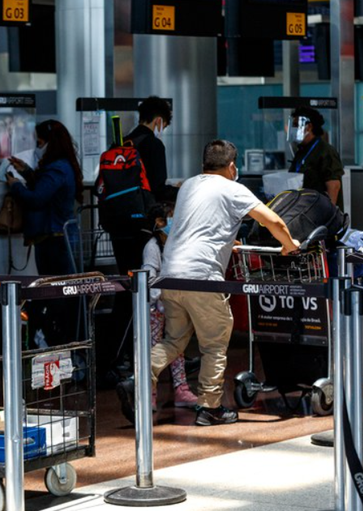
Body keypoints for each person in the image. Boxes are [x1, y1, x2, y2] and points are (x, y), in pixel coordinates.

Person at [117, 140, 300, 426]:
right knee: (214, 343)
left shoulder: (189, 185)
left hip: (171, 274)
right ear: (231, 166)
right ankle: (210, 407)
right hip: (202, 278)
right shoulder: (233, 188)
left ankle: (135, 379)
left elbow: (200, 225)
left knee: (174, 340)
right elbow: (273, 221)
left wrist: (229, 242)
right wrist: (290, 245)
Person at [104, 96, 175, 378]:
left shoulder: (122, 144)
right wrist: (178, 191)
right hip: (143, 229)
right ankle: (132, 359)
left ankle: (114, 358)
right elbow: (157, 188)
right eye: (165, 125)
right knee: (144, 295)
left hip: (117, 227)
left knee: (126, 292)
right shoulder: (153, 145)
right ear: (159, 121)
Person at [7, 120, 84, 345]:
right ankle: (57, 341)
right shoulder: (61, 165)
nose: (37, 146)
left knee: (54, 296)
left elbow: (37, 198)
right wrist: (28, 172)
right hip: (57, 239)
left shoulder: (57, 167)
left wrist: (15, 185)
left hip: (54, 240)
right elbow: (47, 190)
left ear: (49, 143)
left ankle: (54, 341)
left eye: (39, 142)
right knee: (57, 295)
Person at [141, 202, 197, 411]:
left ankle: (181, 389)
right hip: (155, 307)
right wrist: (159, 298)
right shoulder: (152, 248)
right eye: (171, 216)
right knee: (154, 348)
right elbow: (149, 277)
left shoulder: (175, 244)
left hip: (173, 304)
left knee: (176, 348)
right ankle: (150, 394)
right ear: (160, 222)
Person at [287, 107, 345, 210]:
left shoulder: (325, 151)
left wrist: (329, 213)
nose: (293, 129)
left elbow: (334, 185)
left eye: (296, 125)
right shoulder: (301, 151)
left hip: (319, 210)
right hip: (303, 209)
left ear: (309, 127)